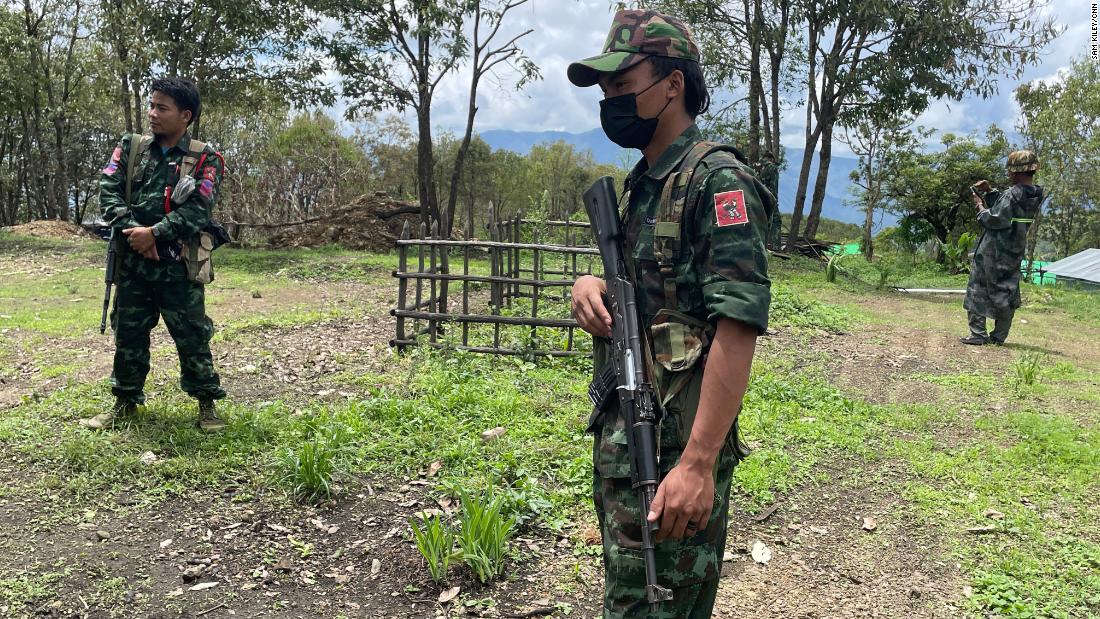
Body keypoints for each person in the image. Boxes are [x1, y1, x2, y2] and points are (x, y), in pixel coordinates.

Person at [567, 9, 774, 617]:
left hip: (673, 455)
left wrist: (698, 462)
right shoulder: (646, 184)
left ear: (673, 84)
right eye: (605, 91)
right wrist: (591, 284)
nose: (611, 102)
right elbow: (650, 290)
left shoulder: (717, 180)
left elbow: (737, 326)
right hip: (627, 444)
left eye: (623, 87)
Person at [80, 77, 228, 431]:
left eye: (162, 108)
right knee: (129, 332)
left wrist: (155, 235)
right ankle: (124, 402)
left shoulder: (205, 158)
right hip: (132, 263)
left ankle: (207, 404)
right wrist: (136, 233)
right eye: (152, 105)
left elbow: (198, 210)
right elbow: (108, 192)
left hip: (178, 265)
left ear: (185, 115)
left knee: (192, 334)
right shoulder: (130, 147)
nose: (152, 114)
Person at [959, 150, 1043, 346]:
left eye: (1011, 171)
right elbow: (1008, 209)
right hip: (1014, 250)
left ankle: (978, 334)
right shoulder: (1035, 193)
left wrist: (980, 206)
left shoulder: (1013, 193)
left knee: (978, 287)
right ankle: (998, 337)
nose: (1009, 175)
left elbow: (993, 218)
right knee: (1007, 290)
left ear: (1016, 172)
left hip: (993, 251)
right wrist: (990, 191)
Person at [756, 150, 781, 247]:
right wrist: (775, 200)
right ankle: (774, 245)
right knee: (776, 221)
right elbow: (774, 186)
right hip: (768, 198)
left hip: (756, 197)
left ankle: (761, 243)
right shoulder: (772, 168)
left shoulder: (756, 166)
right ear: (771, 159)